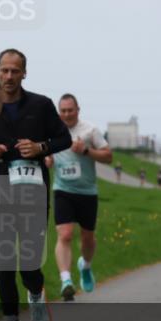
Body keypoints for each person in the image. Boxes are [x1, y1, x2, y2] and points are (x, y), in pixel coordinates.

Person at [0, 49, 71, 321]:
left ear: (24, 73)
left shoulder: (40, 105)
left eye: (15, 71)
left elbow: (63, 139)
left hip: (33, 192)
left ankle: (35, 293)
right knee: (4, 263)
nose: (8, 76)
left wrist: (40, 147)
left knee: (29, 262)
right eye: (3, 70)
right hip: (0, 191)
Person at [47, 94, 112, 300]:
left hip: (87, 192)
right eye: (63, 111)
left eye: (70, 110)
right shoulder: (52, 130)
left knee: (87, 238)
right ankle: (66, 280)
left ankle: (85, 266)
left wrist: (86, 150)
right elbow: (44, 152)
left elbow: (108, 156)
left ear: (78, 110)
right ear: (59, 112)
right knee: (65, 234)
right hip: (62, 190)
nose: (67, 114)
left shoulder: (90, 130)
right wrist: (46, 158)